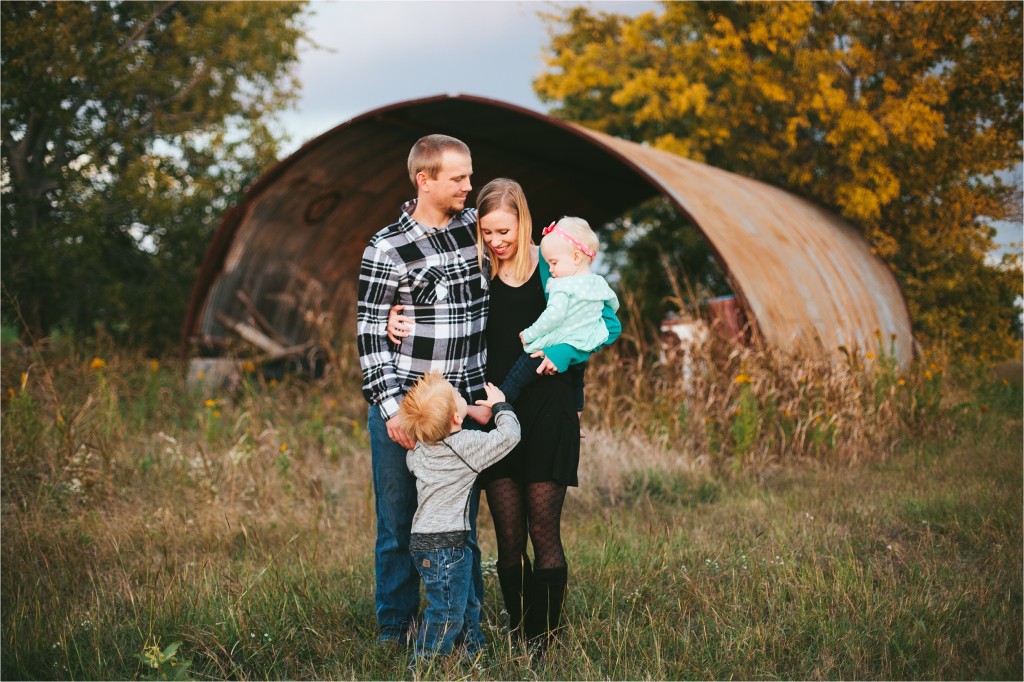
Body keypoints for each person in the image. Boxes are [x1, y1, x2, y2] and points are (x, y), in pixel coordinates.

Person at [389, 178, 621, 652]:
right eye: (488, 233)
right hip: (492, 414)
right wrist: (393, 315)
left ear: (524, 222)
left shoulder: (552, 267)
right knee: (509, 539)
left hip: (548, 409)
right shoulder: (478, 270)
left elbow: (596, 326)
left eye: (504, 232)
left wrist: (570, 375)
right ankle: (520, 633)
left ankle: (546, 640)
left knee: (544, 531)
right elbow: (437, 306)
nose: (496, 242)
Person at [356, 133, 488, 647]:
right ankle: (396, 629)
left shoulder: (477, 231)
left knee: (461, 525)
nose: (468, 187)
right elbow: (370, 334)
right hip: (408, 408)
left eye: (469, 176)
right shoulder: (386, 246)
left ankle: (460, 626)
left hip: (459, 412)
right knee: (397, 526)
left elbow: (525, 264)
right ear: (424, 179)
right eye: (458, 178)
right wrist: (391, 410)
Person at [399, 372, 521, 661]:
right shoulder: (465, 445)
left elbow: (411, 459)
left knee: (464, 601)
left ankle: (472, 652)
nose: (460, 394)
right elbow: (509, 437)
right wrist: (501, 406)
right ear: (456, 418)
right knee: (447, 612)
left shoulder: (423, 449)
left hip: (424, 542)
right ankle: (425, 663)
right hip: (447, 546)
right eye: (457, 395)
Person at [496, 216, 619, 407]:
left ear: (576, 257)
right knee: (577, 380)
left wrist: (529, 334)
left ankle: (498, 403)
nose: (551, 269)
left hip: (556, 344)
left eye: (553, 262)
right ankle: (576, 413)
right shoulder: (599, 283)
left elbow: (553, 316)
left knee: (520, 373)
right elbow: (613, 307)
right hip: (582, 346)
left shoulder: (562, 285)